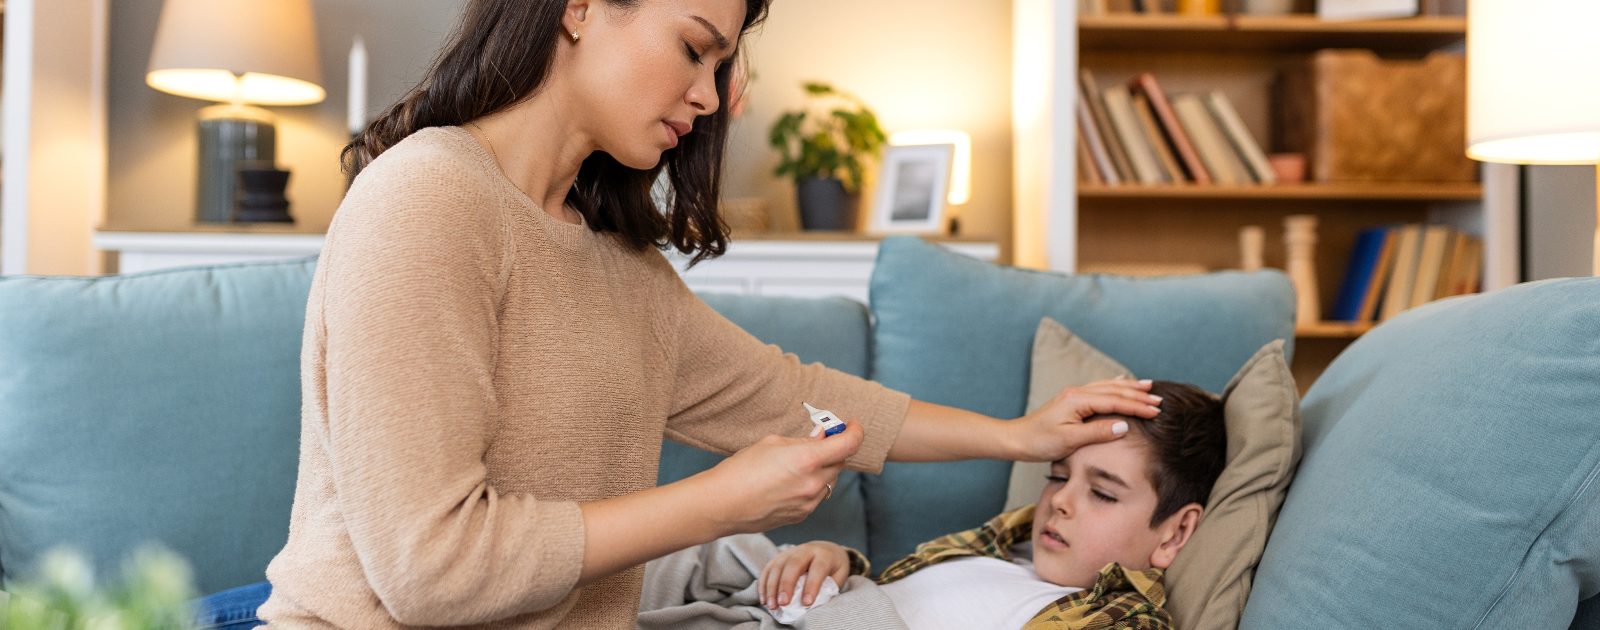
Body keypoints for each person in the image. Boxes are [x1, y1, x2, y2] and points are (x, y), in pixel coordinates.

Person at [195, 1, 1166, 628]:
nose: (707, 96)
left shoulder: (621, 270)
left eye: (721, 65)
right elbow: (429, 569)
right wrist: (722, 502)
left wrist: (1018, 434)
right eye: (694, 48)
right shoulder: (429, 200)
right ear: (579, 8)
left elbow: (799, 398)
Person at [755, 381, 1226, 629]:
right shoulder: (996, 547)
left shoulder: (1119, 620)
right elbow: (892, 592)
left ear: (1175, 533)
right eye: (1057, 476)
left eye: (1102, 493)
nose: (1060, 500)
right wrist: (834, 564)